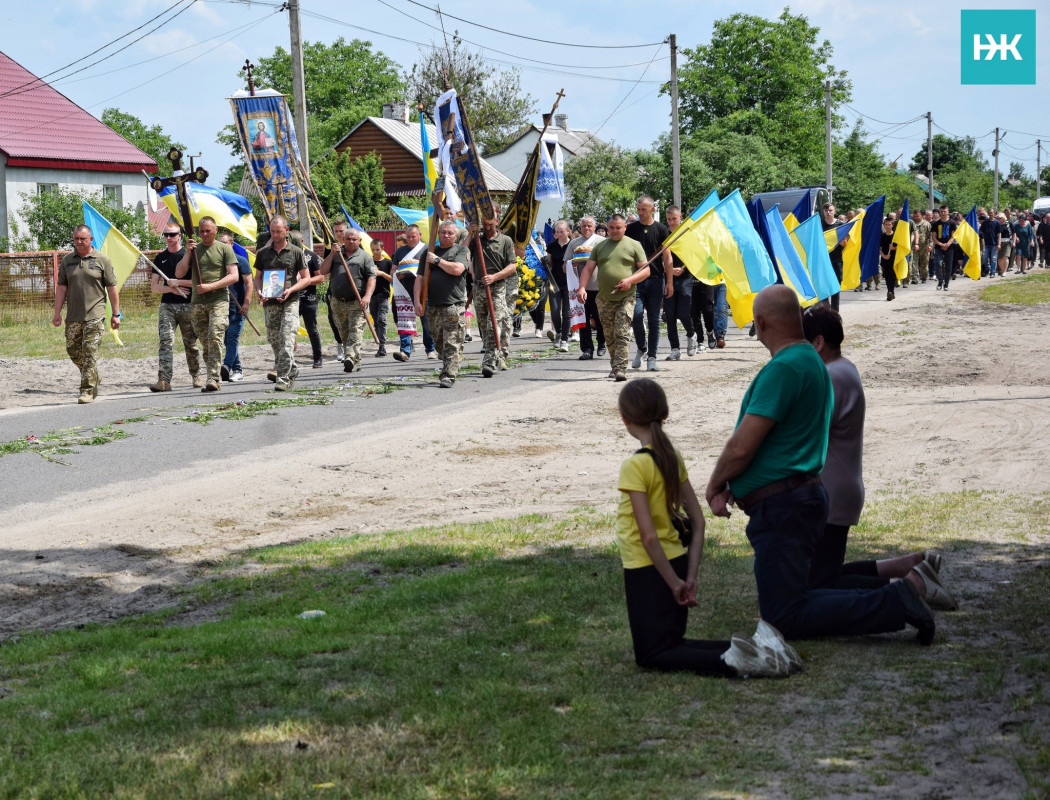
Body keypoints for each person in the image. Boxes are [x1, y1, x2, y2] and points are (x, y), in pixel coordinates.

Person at [705, 285, 937, 645]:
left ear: (761, 322)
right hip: (798, 498)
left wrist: (716, 483)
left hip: (784, 505)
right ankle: (896, 596)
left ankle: (894, 599)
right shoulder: (812, 362)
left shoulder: (785, 368)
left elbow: (742, 446)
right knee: (803, 594)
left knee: (785, 615)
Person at [615, 378, 800, 677]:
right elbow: (698, 522)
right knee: (672, 643)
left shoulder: (635, 466)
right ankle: (762, 648)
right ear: (664, 413)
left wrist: (676, 584)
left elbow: (648, 537)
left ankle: (746, 663)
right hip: (674, 562)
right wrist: (688, 576)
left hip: (648, 568)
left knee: (653, 653)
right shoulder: (670, 457)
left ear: (624, 419)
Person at [801, 305, 958, 608]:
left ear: (818, 342)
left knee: (820, 583)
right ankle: (905, 566)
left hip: (831, 491)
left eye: (804, 344)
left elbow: (808, 430)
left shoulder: (832, 376)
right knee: (825, 573)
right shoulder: (842, 368)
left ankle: (911, 585)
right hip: (839, 487)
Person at [52, 224, 121, 403]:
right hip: (73, 315)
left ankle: (87, 391)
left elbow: (112, 288)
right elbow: (61, 288)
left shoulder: (102, 259)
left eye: (83, 238)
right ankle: (93, 375)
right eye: (76, 239)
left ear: (91, 239)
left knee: (89, 352)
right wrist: (57, 312)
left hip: (95, 314)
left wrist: (115, 314)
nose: (80, 242)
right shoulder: (67, 260)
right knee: (73, 351)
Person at [576, 214, 649, 382]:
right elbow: (588, 269)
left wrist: (630, 281)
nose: (615, 231)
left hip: (627, 297)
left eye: (618, 227)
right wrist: (581, 287)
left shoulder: (634, 245)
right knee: (609, 335)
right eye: (612, 228)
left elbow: (646, 270)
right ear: (607, 229)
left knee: (622, 332)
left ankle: (621, 368)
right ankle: (615, 365)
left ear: (625, 228)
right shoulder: (600, 246)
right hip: (604, 298)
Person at [175, 216, 239, 392]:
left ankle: (213, 377)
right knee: (205, 341)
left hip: (218, 299)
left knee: (215, 335)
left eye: (208, 231)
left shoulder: (224, 249)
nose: (204, 234)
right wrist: (188, 253)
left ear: (215, 230)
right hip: (197, 302)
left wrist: (211, 286)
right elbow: (179, 274)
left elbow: (234, 275)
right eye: (201, 231)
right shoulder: (195, 250)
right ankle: (213, 372)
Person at [253, 215, 310, 390]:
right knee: (273, 339)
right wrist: (259, 291)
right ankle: (291, 368)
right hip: (270, 303)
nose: (276, 235)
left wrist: (291, 290)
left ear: (286, 231)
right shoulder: (263, 252)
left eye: (279, 231)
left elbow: (306, 278)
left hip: (290, 301)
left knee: (286, 338)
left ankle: (283, 379)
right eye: (272, 231)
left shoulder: (296, 251)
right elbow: (258, 277)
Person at [414, 220, 470, 388]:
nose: (446, 235)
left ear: (456, 236)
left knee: (451, 341)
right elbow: (420, 279)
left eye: (450, 233)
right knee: (439, 342)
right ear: (438, 234)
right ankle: (451, 358)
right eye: (443, 232)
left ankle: (448, 375)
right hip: (433, 305)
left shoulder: (461, 250)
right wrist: (417, 300)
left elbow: (457, 269)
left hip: (454, 304)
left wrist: (437, 261)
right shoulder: (429, 252)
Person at [149, 222, 200, 392]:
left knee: (190, 343)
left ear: (180, 236)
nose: (169, 238)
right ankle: (164, 380)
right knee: (165, 341)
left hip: (188, 305)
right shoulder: (160, 258)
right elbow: (155, 287)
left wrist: (179, 283)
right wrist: (172, 289)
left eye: (172, 234)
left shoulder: (189, 255)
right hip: (167, 305)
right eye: (166, 235)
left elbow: (198, 282)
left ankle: (196, 375)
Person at [625, 195, 673, 371]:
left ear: (652, 209)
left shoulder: (661, 229)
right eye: (638, 209)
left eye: (643, 209)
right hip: (636, 280)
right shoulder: (630, 229)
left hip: (655, 280)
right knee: (636, 316)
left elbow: (667, 258)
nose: (640, 212)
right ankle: (641, 347)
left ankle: (652, 356)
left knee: (653, 320)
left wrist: (670, 282)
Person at [467, 212, 516, 378]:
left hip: (497, 288)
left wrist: (495, 276)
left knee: (493, 325)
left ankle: (489, 362)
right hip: (479, 289)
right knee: (483, 325)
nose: (488, 228)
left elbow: (512, 266)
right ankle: (498, 356)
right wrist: (470, 234)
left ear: (497, 221)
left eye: (491, 224)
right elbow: (463, 252)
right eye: (484, 224)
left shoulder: (505, 241)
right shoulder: (477, 240)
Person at [320, 225, 376, 374]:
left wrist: (367, 296)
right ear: (343, 240)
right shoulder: (336, 254)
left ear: (359, 240)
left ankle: (349, 356)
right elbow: (323, 270)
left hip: (358, 302)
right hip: (338, 302)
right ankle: (354, 361)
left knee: (355, 330)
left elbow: (372, 278)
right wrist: (332, 254)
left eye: (354, 239)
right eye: (348, 239)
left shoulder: (364, 257)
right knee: (344, 333)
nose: (351, 241)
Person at [390, 224, 433, 362]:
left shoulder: (427, 249)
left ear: (419, 235)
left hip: (423, 290)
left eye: (413, 236)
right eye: (408, 237)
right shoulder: (400, 251)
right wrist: (397, 274)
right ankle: (405, 351)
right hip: (404, 290)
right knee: (404, 321)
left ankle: (430, 349)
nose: (410, 239)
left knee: (426, 322)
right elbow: (393, 270)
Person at [566, 216, 606, 360]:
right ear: (580, 227)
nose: (587, 228)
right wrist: (572, 264)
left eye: (589, 226)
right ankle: (587, 349)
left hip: (598, 286)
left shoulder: (602, 242)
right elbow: (565, 266)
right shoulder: (574, 244)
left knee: (600, 318)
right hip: (580, 287)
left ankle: (602, 342)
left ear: (594, 227)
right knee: (583, 320)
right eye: (584, 226)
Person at [216, 232, 252, 382]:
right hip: (221, 307)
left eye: (224, 243)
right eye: (219, 244)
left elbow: (249, 284)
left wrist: (246, 303)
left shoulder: (241, 261)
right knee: (227, 340)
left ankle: (226, 366)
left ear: (231, 244)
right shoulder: (216, 263)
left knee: (232, 337)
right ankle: (238, 370)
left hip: (238, 308)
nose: (222, 247)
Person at [662, 205, 695, 359]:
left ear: (680, 216)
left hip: (685, 277)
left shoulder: (687, 233)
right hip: (668, 277)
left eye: (674, 218)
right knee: (670, 316)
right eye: (668, 219)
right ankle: (675, 349)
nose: (671, 222)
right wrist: (668, 269)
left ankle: (691, 334)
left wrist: (683, 267)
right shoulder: (664, 233)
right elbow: (658, 257)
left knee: (683, 312)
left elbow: (695, 255)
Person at [545, 220, 572, 351]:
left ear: (568, 231)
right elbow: (549, 262)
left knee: (567, 312)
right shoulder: (552, 245)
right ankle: (559, 332)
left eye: (562, 231)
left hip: (569, 282)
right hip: (554, 282)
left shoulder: (572, 245)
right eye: (557, 232)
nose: (560, 234)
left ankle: (564, 340)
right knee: (555, 310)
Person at [370, 238, 393, 357]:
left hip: (384, 294)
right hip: (371, 295)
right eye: (373, 250)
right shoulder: (369, 262)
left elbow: (393, 279)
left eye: (377, 249)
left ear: (382, 249)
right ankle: (379, 344)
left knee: (382, 319)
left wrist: (382, 274)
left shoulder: (388, 263)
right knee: (376, 321)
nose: (375, 252)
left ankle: (382, 345)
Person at [820, 203, 844, 309]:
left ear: (835, 211)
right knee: (823, 286)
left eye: (830, 210)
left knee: (836, 286)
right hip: (823, 260)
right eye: (826, 210)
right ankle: (825, 308)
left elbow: (844, 243)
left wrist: (839, 238)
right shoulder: (819, 225)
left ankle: (835, 312)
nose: (828, 212)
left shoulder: (841, 225)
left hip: (836, 259)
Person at [930, 206, 956, 291]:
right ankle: (940, 281)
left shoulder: (952, 223)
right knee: (938, 264)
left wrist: (947, 244)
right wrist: (941, 244)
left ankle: (946, 284)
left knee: (948, 266)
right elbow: (933, 237)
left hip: (949, 247)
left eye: (945, 211)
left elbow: (953, 236)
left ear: (948, 212)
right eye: (941, 211)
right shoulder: (936, 224)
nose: (943, 213)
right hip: (938, 247)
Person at [879, 216, 898, 301]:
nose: (887, 226)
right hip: (885, 258)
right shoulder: (882, 236)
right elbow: (879, 248)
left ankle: (891, 291)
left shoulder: (895, 236)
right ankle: (889, 291)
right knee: (886, 275)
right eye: (886, 225)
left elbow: (901, 248)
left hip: (894, 258)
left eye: (889, 225)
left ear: (892, 225)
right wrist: (884, 256)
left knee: (892, 275)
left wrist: (894, 248)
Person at [911, 208, 932, 284]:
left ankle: (924, 277)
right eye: (914, 216)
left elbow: (930, 235)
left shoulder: (926, 224)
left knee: (924, 263)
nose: (916, 217)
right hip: (914, 247)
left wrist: (930, 245)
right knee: (914, 262)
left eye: (917, 216)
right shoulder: (911, 224)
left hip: (924, 247)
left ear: (921, 216)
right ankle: (915, 278)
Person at [978, 211, 1000, 279]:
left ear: (994, 214)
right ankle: (988, 269)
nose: (991, 214)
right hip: (986, 243)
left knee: (993, 258)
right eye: (989, 213)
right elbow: (981, 232)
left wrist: (999, 243)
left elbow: (999, 234)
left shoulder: (997, 222)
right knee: (984, 258)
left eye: (992, 213)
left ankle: (992, 272)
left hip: (994, 243)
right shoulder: (985, 223)